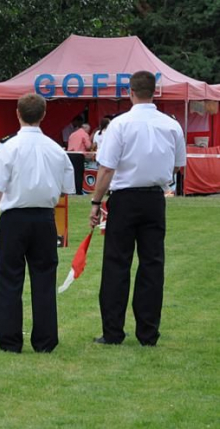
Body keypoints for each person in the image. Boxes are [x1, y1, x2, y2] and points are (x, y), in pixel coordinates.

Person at [90, 71, 186, 347]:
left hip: (124, 198)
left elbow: (106, 168)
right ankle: (148, 333)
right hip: (155, 199)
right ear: (155, 92)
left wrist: (96, 202)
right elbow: (179, 165)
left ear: (130, 92)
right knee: (152, 265)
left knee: (116, 265)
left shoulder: (120, 124)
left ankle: (113, 332)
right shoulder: (171, 125)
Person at [0, 93, 75, 354]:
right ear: (44, 115)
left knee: (9, 277)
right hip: (45, 218)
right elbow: (66, 189)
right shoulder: (56, 149)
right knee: (44, 278)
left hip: (14, 218)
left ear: (17, 113)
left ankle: (10, 340)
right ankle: (45, 340)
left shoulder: (7, 147)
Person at [67, 123, 93, 195]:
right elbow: (88, 146)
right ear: (86, 129)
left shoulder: (72, 134)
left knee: (72, 174)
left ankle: (71, 191)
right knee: (79, 174)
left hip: (69, 154)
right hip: (78, 155)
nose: (88, 132)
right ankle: (78, 191)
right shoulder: (84, 134)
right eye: (88, 130)